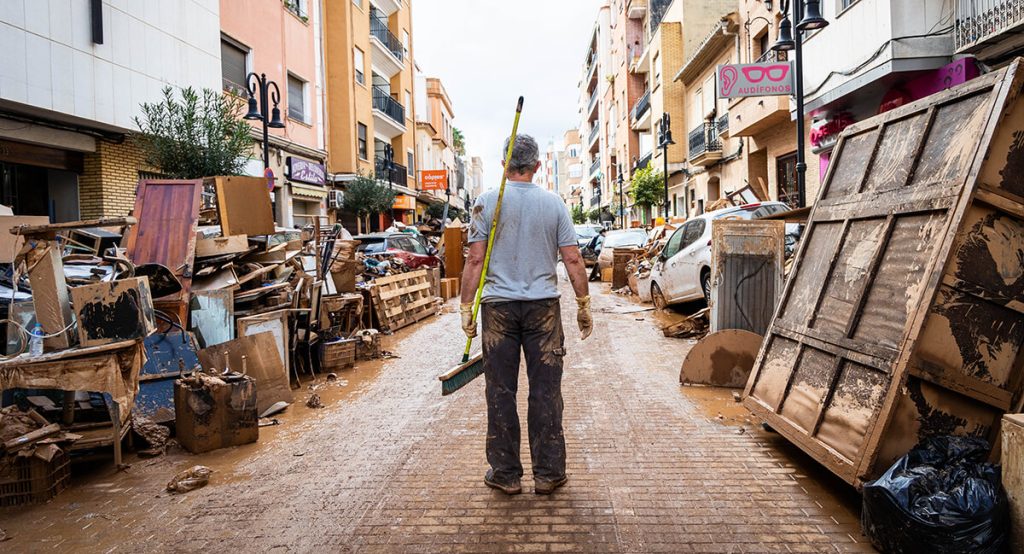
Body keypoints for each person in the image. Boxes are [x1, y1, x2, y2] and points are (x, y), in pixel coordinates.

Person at [460, 134, 592, 496]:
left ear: (505, 164)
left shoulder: (487, 202)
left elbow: (474, 259)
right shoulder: (553, 203)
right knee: (546, 391)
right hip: (543, 309)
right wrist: (583, 303)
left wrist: (465, 306)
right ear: (536, 165)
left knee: (500, 391)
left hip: (497, 309)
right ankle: (548, 473)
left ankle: (505, 474)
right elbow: (572, 258)